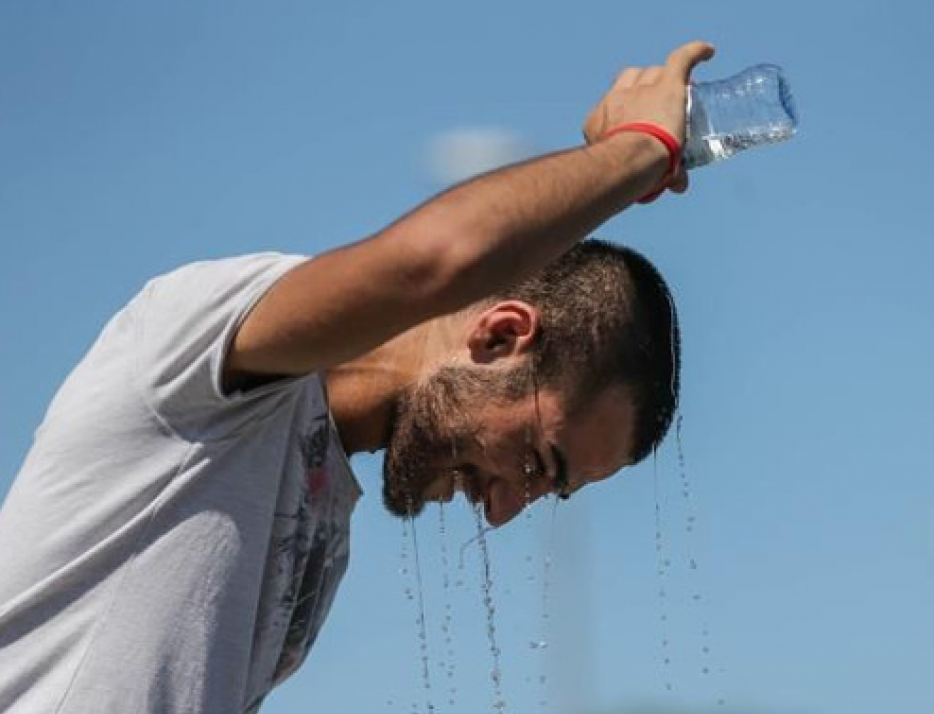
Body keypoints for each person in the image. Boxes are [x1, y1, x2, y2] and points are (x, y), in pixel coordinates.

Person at [0, 40, 715, 713]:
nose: (502, 512)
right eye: (535, 462)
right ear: (499, 336)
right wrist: (640, 152)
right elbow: (436, 260)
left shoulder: (323, 532)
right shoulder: (204, 349)